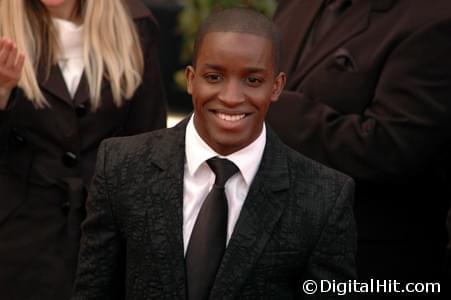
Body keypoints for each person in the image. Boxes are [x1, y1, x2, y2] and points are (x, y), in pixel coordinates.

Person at [72, 7, 357, 300]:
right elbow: (93, 289)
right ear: (191, 79)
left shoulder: (324, 197)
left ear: (277, 86)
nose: (231, 98)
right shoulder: (121, 166)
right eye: (214, 76)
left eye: (253, 81)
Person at [266, 0, 451, 285]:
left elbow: (390, 147)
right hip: (275, 253)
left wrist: (270, 105)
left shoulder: (435, 17)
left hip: (370, 266)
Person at [0, 0, 167, 299]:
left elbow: (150, 142)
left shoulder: (135, 25)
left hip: (107, 234)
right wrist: (1, 94)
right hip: (18, 239)